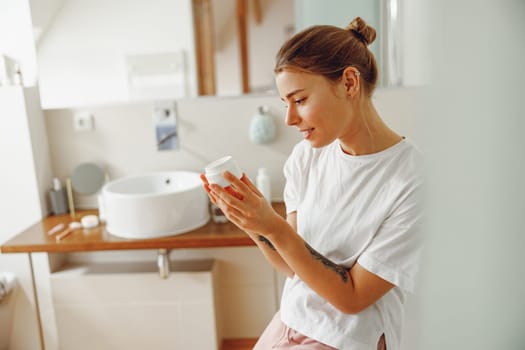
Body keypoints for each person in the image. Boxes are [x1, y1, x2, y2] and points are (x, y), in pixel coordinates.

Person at [201, 17, 423, 350]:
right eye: (285, 103)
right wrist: (250, 222)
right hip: (291, 320)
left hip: (346, 337)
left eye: (300, 100)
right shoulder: (306, 158)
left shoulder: (411, 180)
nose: (289, 119)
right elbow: (292, 268)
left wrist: (274, 228)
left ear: (349, 83)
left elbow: (353, 298)